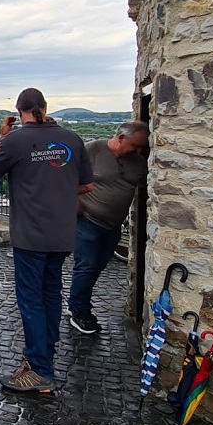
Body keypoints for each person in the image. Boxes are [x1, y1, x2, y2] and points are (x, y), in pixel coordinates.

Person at [0, 88, 94, 393]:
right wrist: (56, 190)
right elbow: (86, 185)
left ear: (20, 112)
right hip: (61, 232)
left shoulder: (17, 140)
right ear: (45, 108)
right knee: (51, 294)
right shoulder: (72, 138)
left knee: (31, 298)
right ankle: (44, 356)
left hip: (31, 234)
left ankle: (40, 369)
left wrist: (4, 137)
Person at [69, 121, 150, 334]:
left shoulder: (138, 161)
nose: (139, 150)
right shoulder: (93, 149)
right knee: (86, 265)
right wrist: (75, 202)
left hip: (113, 225)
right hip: (88, 221)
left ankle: (76, 302)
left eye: (142, 147)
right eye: (135, 145)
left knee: (97, 266)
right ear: (121, 138)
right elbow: (67, 177)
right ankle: (80, 312)